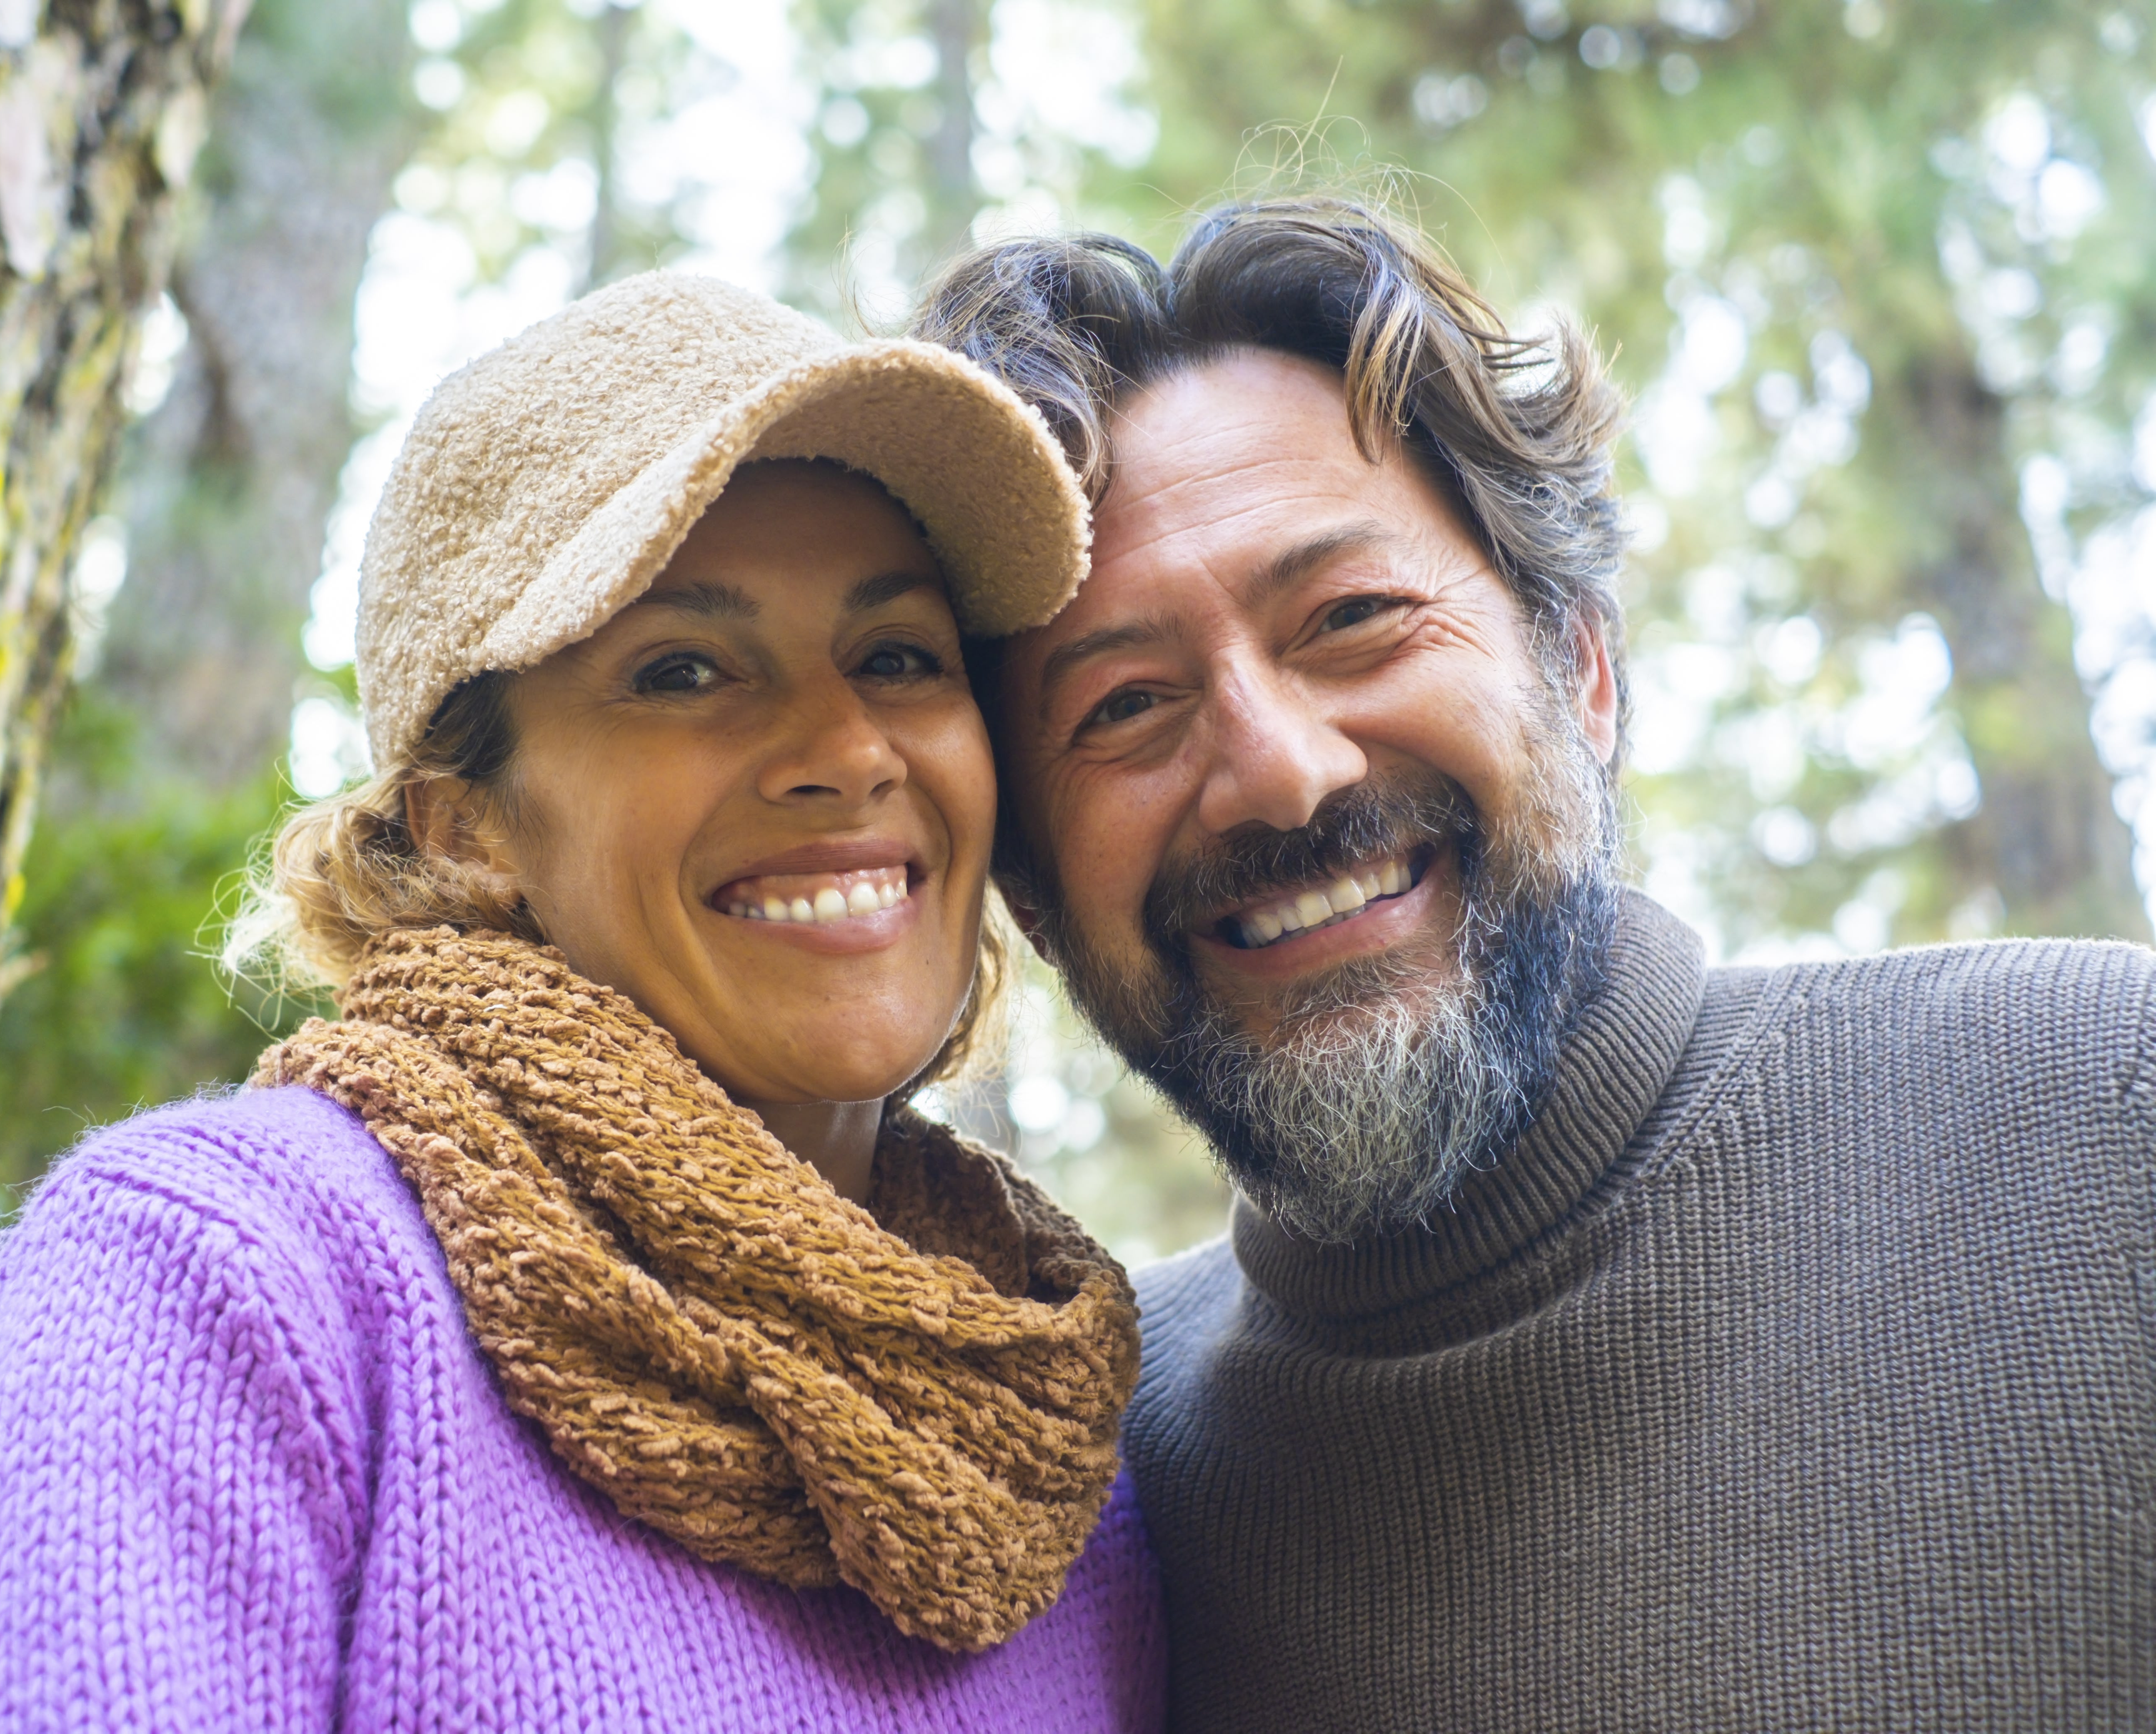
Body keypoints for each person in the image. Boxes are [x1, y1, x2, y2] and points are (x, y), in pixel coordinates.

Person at [0, 272, 1164, 1731]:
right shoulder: (224, 1278)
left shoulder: (1050, 1430)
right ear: (466, 829)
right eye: (684, 670)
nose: (847, 750)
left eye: (898, 656)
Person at [915, 197, 2156, 1731]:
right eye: (1121, 709)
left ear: (1580, 663)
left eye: (1354, 618)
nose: (1280, 773)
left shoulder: (2107, 1125)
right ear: (1033, 900)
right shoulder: (1081, 1504)